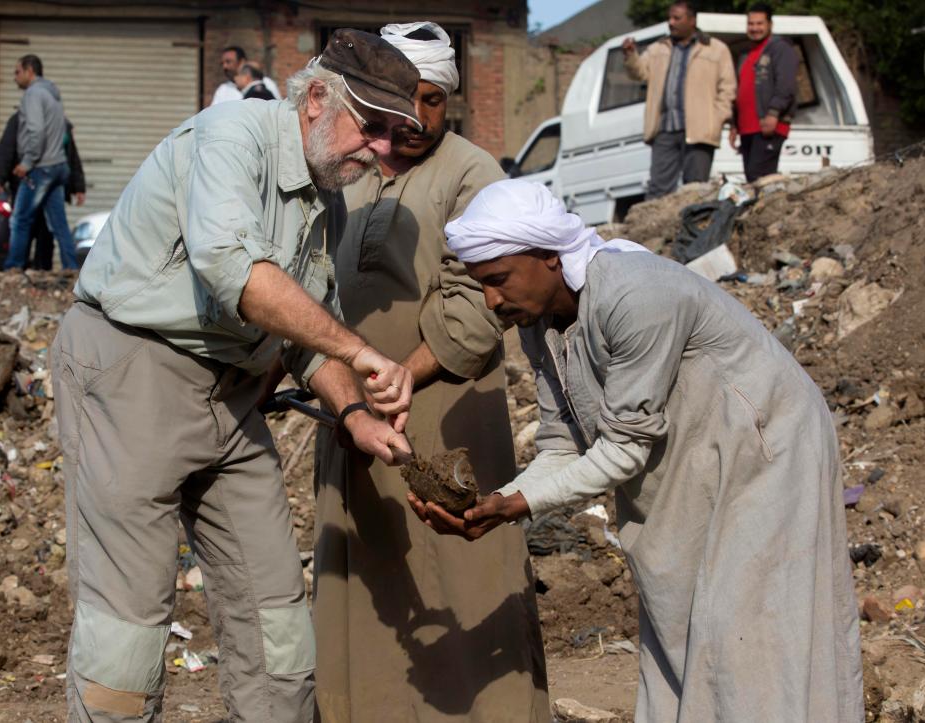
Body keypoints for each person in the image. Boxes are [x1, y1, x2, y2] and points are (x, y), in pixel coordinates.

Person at [52, 29, 423, 723]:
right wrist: (361, 350)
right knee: (128, 633)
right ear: (316, 99)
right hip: (133, 378)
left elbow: (307, 334)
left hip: (232, 397)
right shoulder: (232, 137)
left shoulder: (327, 201)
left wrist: (355, 413)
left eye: (391, 134)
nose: (380, 149)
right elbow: (233, 272)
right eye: (371, 127)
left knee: (277, 624)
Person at [411, 179, 864, 721]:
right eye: (482, 285)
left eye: (499, 280)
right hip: (689, 459)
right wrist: (498, 503)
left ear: (550, 257)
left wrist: (518, 506)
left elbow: (621, 451)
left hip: (766, 450)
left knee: (750, 626)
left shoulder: (633, 292)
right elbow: (564, 446)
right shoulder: (539, 327)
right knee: (680, 621)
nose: (492, 301)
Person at [311, 22, 549, 722]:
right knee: (367, 585)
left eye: (433, 100)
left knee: (458, 581)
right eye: (403, 101)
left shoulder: (472, 173)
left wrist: (396, 376)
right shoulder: (350, 168)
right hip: (354, 416)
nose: (417, 118)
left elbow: (478, 307)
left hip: (443, 414)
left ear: (454, 99)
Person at [621, 1, 735, 199]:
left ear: (692, 21)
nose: (671, 23)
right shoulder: (658, 48)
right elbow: (639, 73)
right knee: (658, 189)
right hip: (664, 129)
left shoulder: (715, 49)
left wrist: (716, 119)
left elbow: (728, 87)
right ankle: (654, 230)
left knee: (696, 190)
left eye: (677, 18)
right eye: (670, 18)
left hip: (700, 130)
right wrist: (630, 55)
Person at [3, 54, 78, 270]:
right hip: (58, 165)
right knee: (59, 224)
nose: (15, 78)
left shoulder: (33, 94)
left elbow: (36, 131)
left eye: (17, 72)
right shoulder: (53, 94)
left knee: (20, 220)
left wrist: (27, 162)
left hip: (41, 168)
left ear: (29, 71)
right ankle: (71, 268)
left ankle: (13, 267)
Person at [0, 111, 86, 270]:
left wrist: (78, 186)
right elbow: (6, 151)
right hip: (28, 182)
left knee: (40, 231)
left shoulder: (59, 123)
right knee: (33, 227)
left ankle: (36, 269)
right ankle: (21, 268)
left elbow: (71, 155)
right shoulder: (21, 120)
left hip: (40, 180)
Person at [729, 3, 799, 182]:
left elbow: (786, 85)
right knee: (752, 179)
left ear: (770, 25)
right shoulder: (747, 54)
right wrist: (734, 124)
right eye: (751, 24)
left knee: (761, 177)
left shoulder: (780, 49)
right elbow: (741, 91)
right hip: (747, 128)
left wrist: (773, 113)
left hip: (767, 126)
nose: (754, 28)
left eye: (759, 23)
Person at [211, 45, 281, 105]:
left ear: (242, 61)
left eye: (228, 62)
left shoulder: (266, 83)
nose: (224, 67)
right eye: (222, 63)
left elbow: (276, 110)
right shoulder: (222, 89)